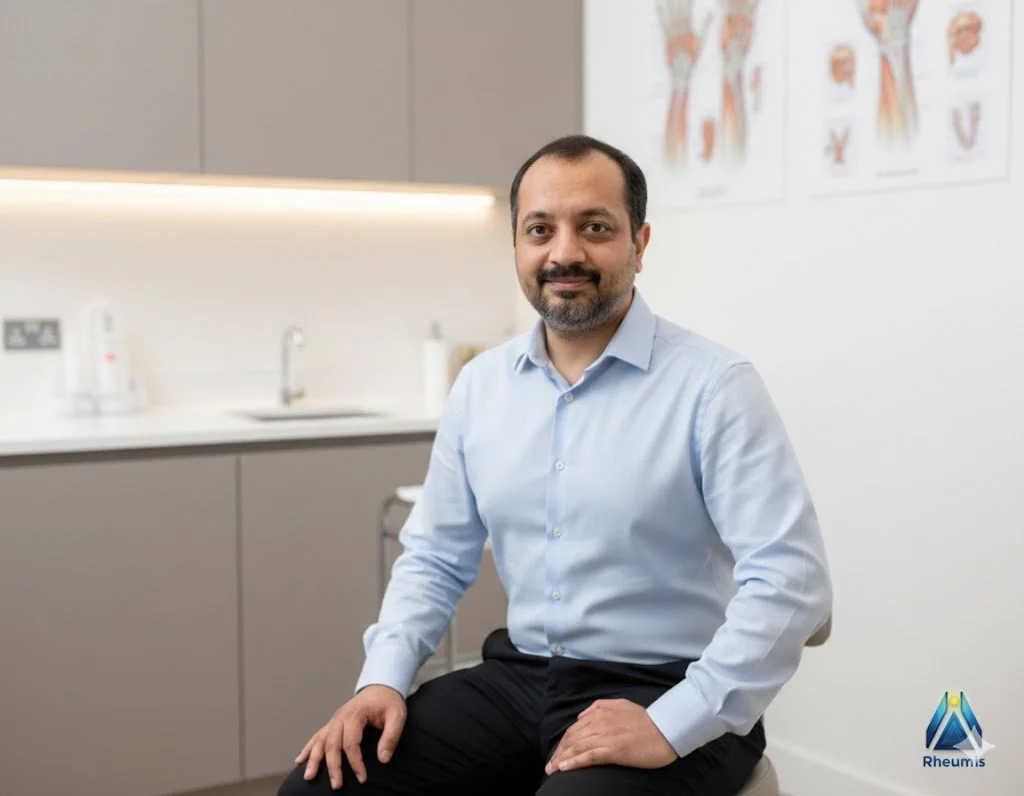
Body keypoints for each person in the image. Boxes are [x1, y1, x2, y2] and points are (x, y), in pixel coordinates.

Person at [278, 135, 833, 796]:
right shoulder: (481, 387)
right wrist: (383, 678)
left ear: (640, 243)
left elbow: (793, 581)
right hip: (518, 679)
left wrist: (673, 721)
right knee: (319, 789)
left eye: (595, 228)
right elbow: (433, 558)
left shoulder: (715, 387)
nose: (564, 252)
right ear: (516, 244)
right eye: (540, 229)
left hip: (667, 681)